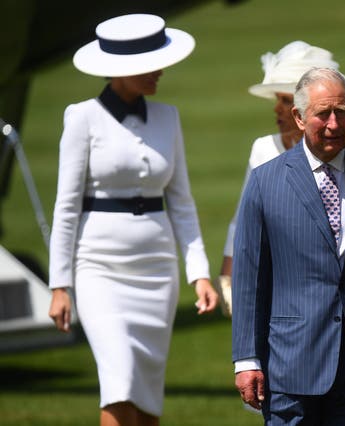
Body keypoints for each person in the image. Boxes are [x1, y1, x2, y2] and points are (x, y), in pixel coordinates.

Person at [47, 14, 218, 426]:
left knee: (145, 396)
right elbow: (66, 206)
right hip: (98, 270)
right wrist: (59, 284)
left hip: (157, 273)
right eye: (149, 64)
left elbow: (182, 202)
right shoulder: (82, 117)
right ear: (120, 70)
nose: (160, 71)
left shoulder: (168, 116)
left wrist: (200, 274)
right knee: (119, 379)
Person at [232, 67, 345, 424]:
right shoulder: (266, 182)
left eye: (342, 112)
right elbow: (250, 277)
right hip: (290, 364)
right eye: (323, 113)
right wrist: (247, 359)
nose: (334, 124)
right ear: (298, 115)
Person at [215, 41, 345, 317]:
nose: (277, 109)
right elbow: (243, 214)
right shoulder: (263, 148)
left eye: (285, 101)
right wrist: (229, 267)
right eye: (277, 100)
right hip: (281, 272)